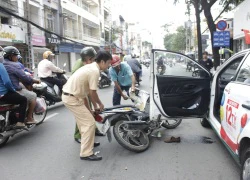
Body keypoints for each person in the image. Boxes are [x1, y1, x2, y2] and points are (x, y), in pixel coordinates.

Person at [62, 50, 112, 161]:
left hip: (73, 96)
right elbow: (92, 92)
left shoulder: (91, 67)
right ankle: (86, 153)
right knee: (89, 123)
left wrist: (91, 110)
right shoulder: (94, 71)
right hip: (72, 98)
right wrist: (99, 104)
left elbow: (86, 93)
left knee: (83, 122)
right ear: (102, 62)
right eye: (108, 63)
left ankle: (88, 143)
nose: (109, 66)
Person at [71, 47, 104, 144]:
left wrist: (95, 105)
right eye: (93, 59)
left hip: (86, 90)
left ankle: (94, 130)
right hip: (78, 92)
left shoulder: (88, 64)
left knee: (92, 112)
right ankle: (78, 135)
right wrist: (96, 104)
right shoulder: (80, 65)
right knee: (83, 114)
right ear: (89, 58)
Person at [3, 46, 40, 124]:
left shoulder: (2, 64)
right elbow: (24, 78)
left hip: (4, 91)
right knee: (32, 96)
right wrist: (34, 81)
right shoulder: (14, 65)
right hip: (9, 91)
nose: (17, 57)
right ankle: (29, 118)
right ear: (11, 56)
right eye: (16, 56)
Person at [0, 46, 27, 128]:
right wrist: (13, 90)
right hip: (3, 94)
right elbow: (7, 82)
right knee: (23, 99)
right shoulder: (0, 66)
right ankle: (20, 122)